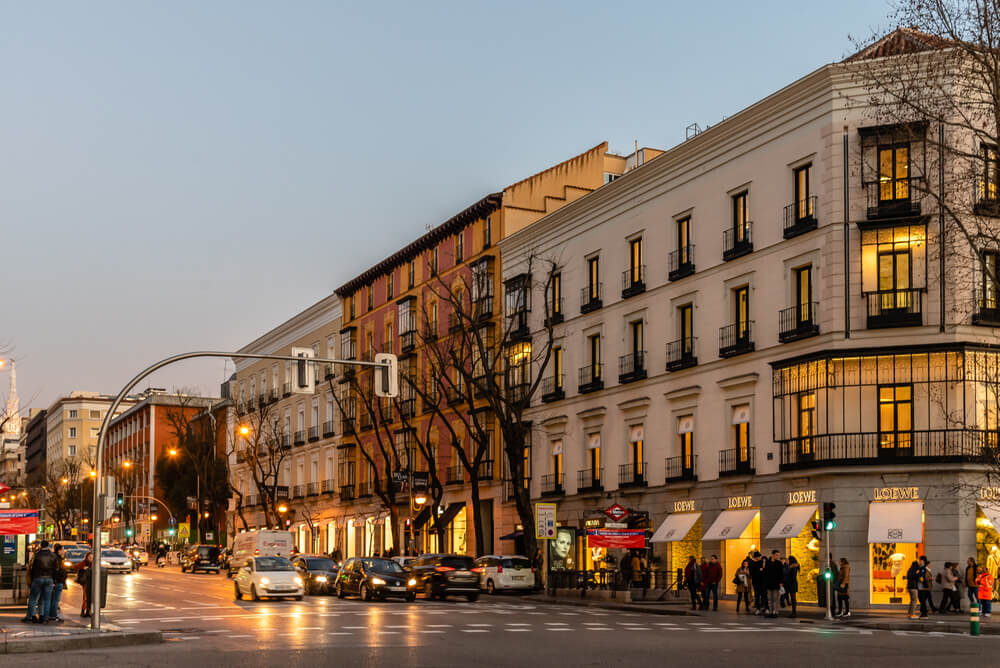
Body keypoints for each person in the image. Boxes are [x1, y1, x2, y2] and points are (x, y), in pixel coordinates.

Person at [23, 540, 57, 624]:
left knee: (33, 598)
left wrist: (31, 579)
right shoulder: (53, 556)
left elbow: (33, 568)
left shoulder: (37, 555)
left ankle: (32, 616)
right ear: (48, 546)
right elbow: (56, 569)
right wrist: (54, 580)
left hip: (37, 578)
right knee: (47, 599)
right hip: (49, 579)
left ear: (41, 545)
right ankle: (45, 618)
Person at [48, 545, 67, 623]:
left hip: (56, 581)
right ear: (59, 551)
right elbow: (57, 571)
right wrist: (55, 581)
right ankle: (53, 615)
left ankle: (51, 615)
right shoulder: (57, 559)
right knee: (55, 600)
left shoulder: (54, 557)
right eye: (62, 549)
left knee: (53, 599)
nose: (63, 551)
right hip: (58, 582)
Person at [763, 550, 784, 618]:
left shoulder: (779, 563)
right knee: (769, 598)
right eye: (776, 555)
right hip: (769, 583)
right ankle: (771, 611)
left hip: (776, 583)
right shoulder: (767, 562)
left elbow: (781, 574)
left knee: (775, 598)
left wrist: (781, 582)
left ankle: (775, 611)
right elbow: (765, 573)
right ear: (773, 555)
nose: (778, 556)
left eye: (778, 555)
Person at [76, 552, 94, 617]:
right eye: (89, 557)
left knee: (91, 597)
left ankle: (88, 611)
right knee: (86, 597)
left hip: (93, 582)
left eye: (92, 558)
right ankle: (83, 610)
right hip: (85, 582)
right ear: (87, 557)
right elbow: (76, 566)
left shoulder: (95, 563)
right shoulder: (84, 562)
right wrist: (83, 568)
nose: (91, 559)